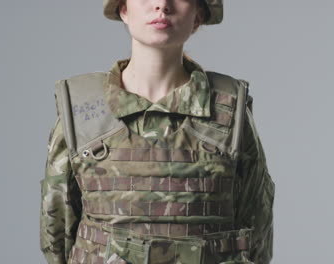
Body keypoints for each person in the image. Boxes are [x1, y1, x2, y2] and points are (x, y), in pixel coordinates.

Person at [40, 0, 275, 263]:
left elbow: (256, 230)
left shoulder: (230, 110)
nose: (162, 4)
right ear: (123, 9)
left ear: (198, 15)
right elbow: (58, 230)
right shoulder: (82, 112)